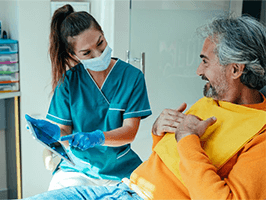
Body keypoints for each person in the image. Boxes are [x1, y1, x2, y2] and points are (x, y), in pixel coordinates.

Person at [24, 15, 266, 200]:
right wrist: (159, 134)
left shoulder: (260, 136)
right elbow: (168, 162)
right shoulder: (213, 101)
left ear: (235, 69)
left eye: (205, 61)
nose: (198, 71)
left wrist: (187, 139)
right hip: (126, 187)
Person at [25, 4, 152, 191]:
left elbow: (130, 131)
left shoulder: (132, 77)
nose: (99, 54)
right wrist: (53, 134)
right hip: (78, 170)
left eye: (100, 43)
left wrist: (98, 137)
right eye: (87, 53)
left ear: (103, 34)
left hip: (121, 169)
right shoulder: (68, 82)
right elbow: (65, 134)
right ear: (73, 55)